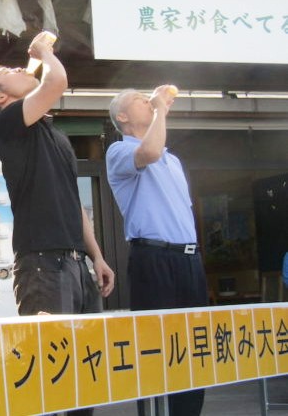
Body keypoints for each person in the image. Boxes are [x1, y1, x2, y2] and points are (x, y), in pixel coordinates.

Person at [0, 32, 115, 416]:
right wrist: (44, 53)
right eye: (7, 71)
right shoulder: (9, 124)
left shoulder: (52, 134)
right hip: (41, 264)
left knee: (85, 376)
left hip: (74, 264)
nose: (19, 67)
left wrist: (96, 256)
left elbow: (74, 203)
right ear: (0, 98)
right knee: (51, 379)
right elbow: (57, 82)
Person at [106, 86, 208, 416]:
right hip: (153, 258)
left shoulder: (173, 159)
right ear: (122, 117)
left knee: (195, 348)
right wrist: (161, 109)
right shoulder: (119, 151)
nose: (148, 101)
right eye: (139, 99)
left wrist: (158, 112)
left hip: (189, 259)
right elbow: (148, 153)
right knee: (155, 349)